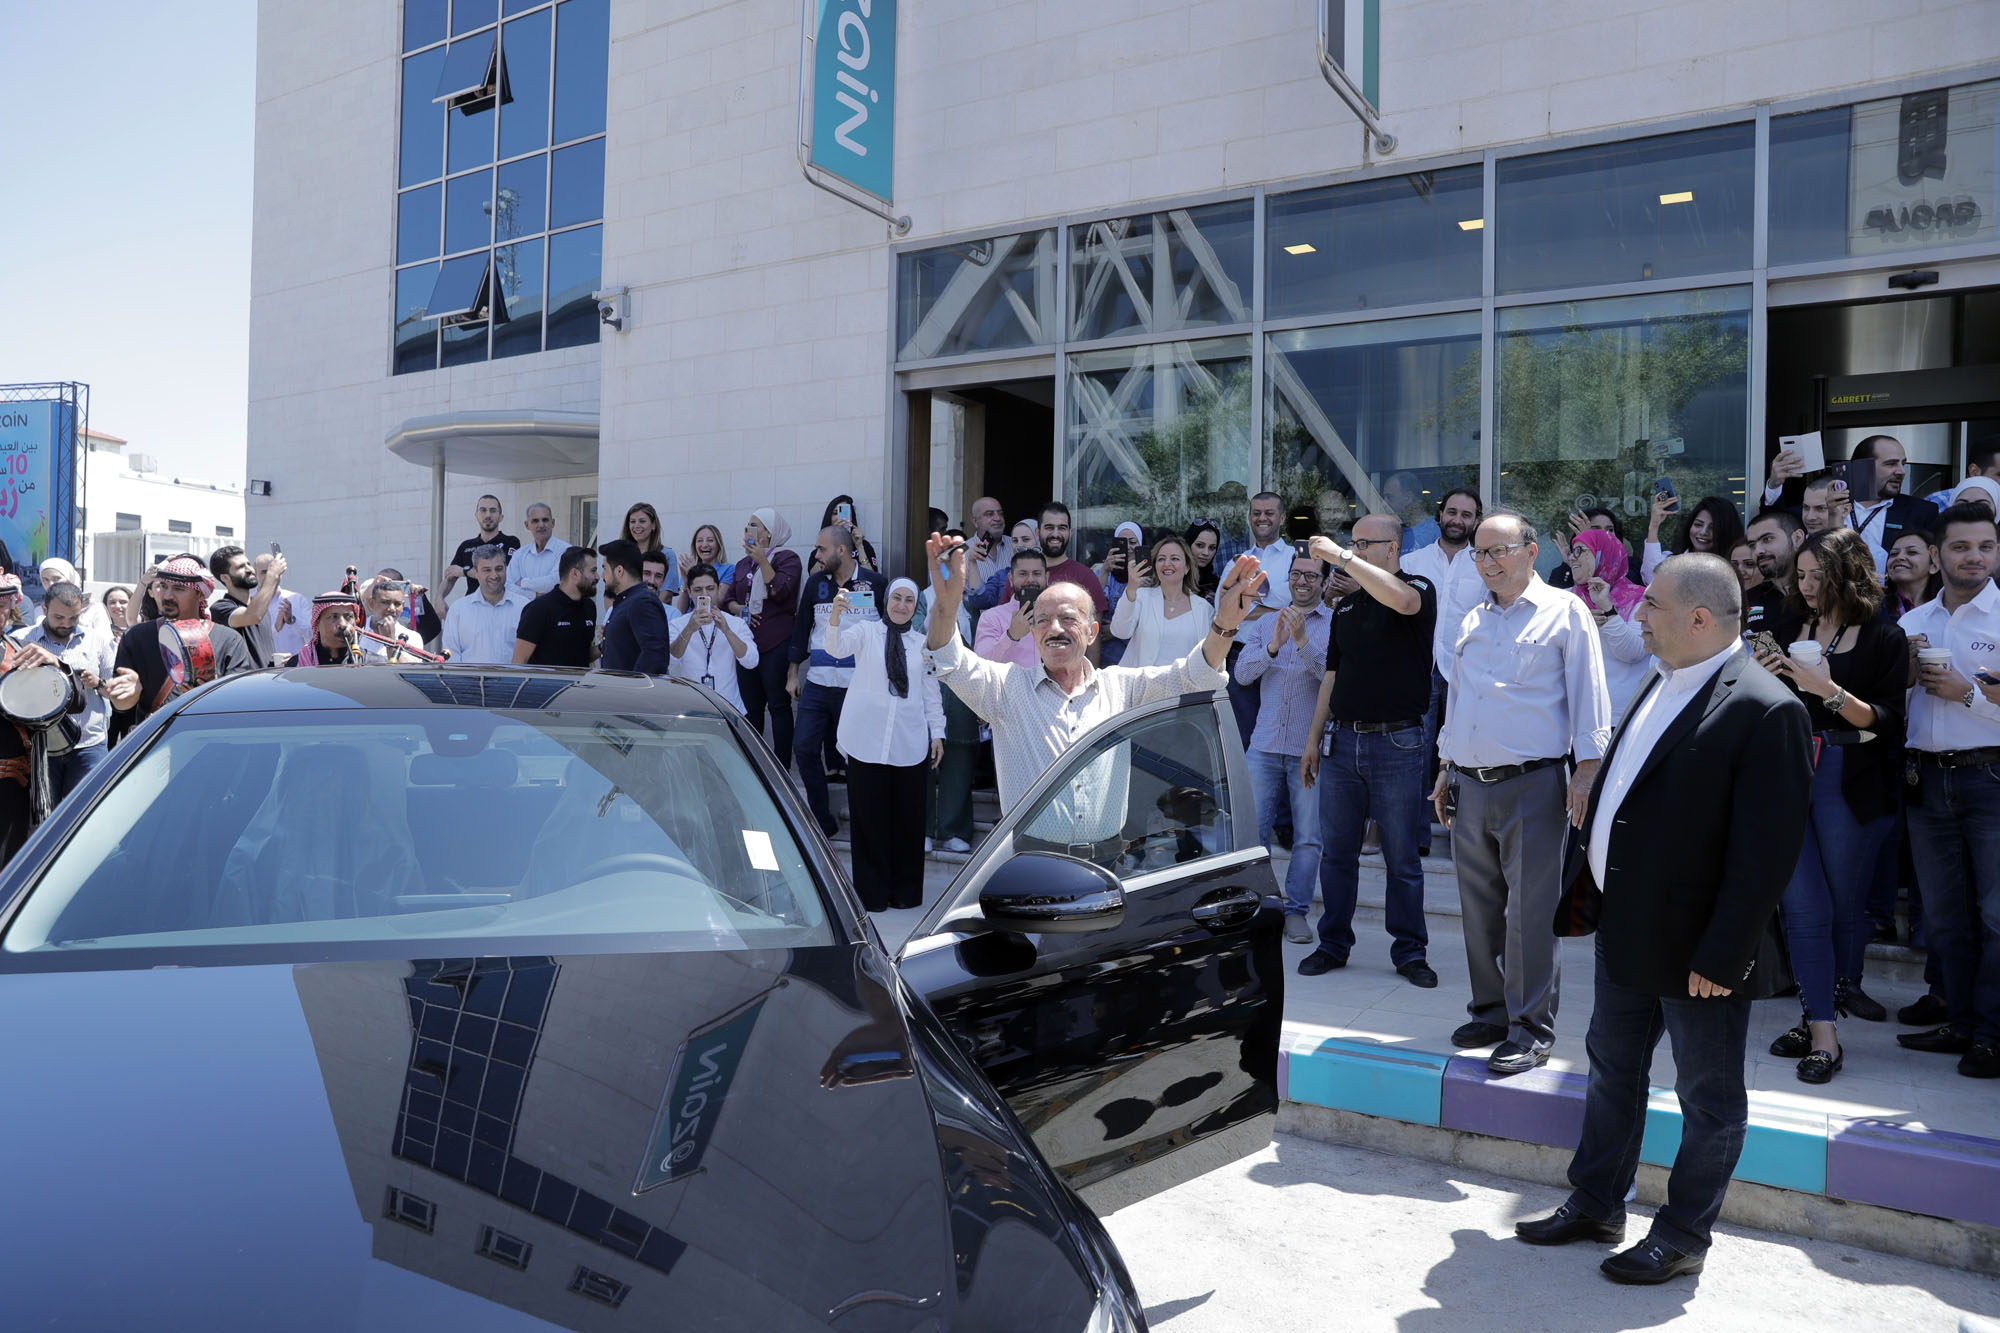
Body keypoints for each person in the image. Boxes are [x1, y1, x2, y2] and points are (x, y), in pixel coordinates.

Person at [1516, 554, 1811, 1285]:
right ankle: (1596, 1202)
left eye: (1650, 604)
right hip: (1628, 924)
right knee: (1613, 1069)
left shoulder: (1766, 707)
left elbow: (1766, 854)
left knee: (1708, 1098)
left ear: (1699, 618)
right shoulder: (1663, 677)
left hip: (1698, 948)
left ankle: (1682, 1234)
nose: (1637, 615)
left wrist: (1725, 952)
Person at [1431, 511, 1613, 1076]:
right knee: (1478, 909)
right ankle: (1490, 1012)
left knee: (1530, 915)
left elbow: (1590, 694)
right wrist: (1445, 764)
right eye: (1479, 553)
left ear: (1531, 552)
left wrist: (1586, 771)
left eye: (1498, 551)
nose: (1487, 563)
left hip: (1535, 783)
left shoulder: (1565, 611)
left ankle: (1530, 1028)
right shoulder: (1473, 618)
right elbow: (1458, 699)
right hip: (1470, 783)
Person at [922, 532, 1267, 815]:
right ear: (1034, 632)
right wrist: (946, 605)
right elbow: (949, 660)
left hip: (1105, 865)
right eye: (1043, 620)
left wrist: (1224, 624)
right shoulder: (1006, 689)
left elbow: (1194, 675)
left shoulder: (1120, 688)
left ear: (1091, 632)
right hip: (1030, 865)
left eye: (1068, 619)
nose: (1055, 628)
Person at [1747, 528, 1904, 1081]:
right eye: (1802, 574)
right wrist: (1763, 677)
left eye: (1819, 574)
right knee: (1801, 907)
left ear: (1849, 573)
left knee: (1840, 908)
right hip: (1790, 772)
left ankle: (1819, 1011)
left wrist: (1828, 691)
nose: (1807, 584)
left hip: (1851, 777)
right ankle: (1822, 1032)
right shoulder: (1788, 625)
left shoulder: (1884, 636)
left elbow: (1888, 722)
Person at [1295, 515, 1439, 983]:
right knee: (1337, 854)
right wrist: (1313, 740)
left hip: (1398, 742)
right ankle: (1333, 944)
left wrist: (1340, 557)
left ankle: (1410, 952)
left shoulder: (1418, 587)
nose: (1353, 551)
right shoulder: (1346, 609)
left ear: (1391, 549)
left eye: (1363, 544)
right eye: (1351, 543)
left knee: (1402, 858)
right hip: (1343, 742)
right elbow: (1331, 677)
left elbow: (1402, 601)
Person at [1900, 503, 2000, 1078]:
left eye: (1985, 546)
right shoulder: (1913, 623)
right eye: (1962, 547)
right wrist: (1904, 674)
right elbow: (1890, 704)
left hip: (1990, 778)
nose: (1975, 557)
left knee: (1996, 916)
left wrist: (1967, 694)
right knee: (1944, 916)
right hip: (1926, 779)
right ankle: (1960, 1022)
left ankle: (1992, 1034)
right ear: (1937, 556)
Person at [826, 579, 945, 910]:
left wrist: (938, 732)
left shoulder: (923, 644)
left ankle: (905, 893)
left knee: (907, 822)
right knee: (868, 822)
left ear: (915, 606)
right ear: (886, 600)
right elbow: (836, 648)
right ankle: (872, 894)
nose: (902, 605)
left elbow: (931, 693)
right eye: (897, 598)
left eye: (909, 600)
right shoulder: (866, 632)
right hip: (866, 739)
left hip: (908, 741)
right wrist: (835, 615)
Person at [1237, 554, 1333, 944]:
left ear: (1324, 582)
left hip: (1307, 750)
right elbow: (1242, 675)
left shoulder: (1334, 625)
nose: (1302, 581)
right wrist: (1274, 646)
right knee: (1252, 834)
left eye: (1311, 575)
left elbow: (1331, 679)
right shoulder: (1264, 624)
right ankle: (1260, 909)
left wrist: (1303, 642)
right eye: (1296, 574)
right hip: (1264, 745)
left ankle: (1296, 912)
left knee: (1308, 838)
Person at [789, 526, 887, 838]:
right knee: (804, 747)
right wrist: (793, 674)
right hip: (818, 682)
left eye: (821, 549)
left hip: (857, 685)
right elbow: (802, 628)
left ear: (841, 550)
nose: (817, 555)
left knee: (857, 754)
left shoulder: (875, 583)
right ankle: (822, 821)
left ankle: (864, 819)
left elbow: (888, 634)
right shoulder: (815, 583)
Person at [107, 554, 259, 743]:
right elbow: (121, 706)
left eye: (178, 589)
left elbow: (239, 705)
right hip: (155, 745)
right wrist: (128, 695)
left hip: (209, 743)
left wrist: (210, 693)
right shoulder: (136, 637)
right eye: (163, 586)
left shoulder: (229, 640)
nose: (167, 596)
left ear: (200, 594)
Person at [1765, 434, 1939, 574]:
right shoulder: (1828, 504)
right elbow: (1775, 523)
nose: (1901, 471)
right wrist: (1774, 484)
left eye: (1903, 463)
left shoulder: (1922, 511)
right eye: (1891, 464)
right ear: (1863, 467)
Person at [15, 583, 117, 801]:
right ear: (44, 609)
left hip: (88, 745)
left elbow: (114, 691)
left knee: (86, 810)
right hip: (42, 747)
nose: (66, 624)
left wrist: (98, 683)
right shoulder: (22, 640)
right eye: (59, 617)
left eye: (73, 618)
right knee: (46, 815)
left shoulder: (97, 641)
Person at [726, 509, 802, 768]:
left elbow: (780, 592)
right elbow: (728, 599)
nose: (748, 529)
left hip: (776, 643)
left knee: (779, 706)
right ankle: (754, 767)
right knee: (751, 707)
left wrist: (763, 561)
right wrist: (739, 609)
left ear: (769, 532)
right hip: (747, 645)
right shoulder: (742, 564)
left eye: (755, 525)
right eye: (747, 525)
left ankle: (782, 768)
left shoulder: (788, 558)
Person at [1566, 528, 1655, 717]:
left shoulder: (1640, 599)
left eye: (1580, 550)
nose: (1572, 558)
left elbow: (1633, 653)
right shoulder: (1565, 599)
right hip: (1574, 712)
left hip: (1619, 714)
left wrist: (1607, 607)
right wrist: (1579, 623)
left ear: (1603, 554)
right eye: (1571, 551)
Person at [1111, 534, 1214, 670]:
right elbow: (1120, 632)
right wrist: (1131, 588)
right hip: (1142, 682)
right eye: (1161, 559)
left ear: (1187, 567)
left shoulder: (1204, 609)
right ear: (1155, 566)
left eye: (1175, 558)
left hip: (1185, 682)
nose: (1167, 564)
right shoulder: (1141, 596)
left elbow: (1209, 656)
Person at [667, 563, 757, 709]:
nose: (705, 594)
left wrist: (727, 631)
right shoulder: (677, 624)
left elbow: (751, 661)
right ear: (689, 592)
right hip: (690, 707)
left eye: (710, 588)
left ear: (718, 589)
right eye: (698, 590)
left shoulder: (735, 623)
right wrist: (689, 629)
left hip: (729, 707)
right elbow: (669, 662)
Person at [439, 545, 529, 665]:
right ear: (476, 572)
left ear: (506, 568)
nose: (494, 575)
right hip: (470, 677)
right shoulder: (458, 610)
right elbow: (451, 656)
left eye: (499, 569)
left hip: (513, 678)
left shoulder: (524, 607)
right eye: (487, 570)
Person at [512, 546, 599, 667]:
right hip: (544, 680)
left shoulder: (589, 607)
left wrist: (602, 647)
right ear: (575, 574)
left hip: (580, 680)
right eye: (593, 571)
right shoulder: (539, 609)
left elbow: (583, 656)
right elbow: (519, 662)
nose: (597, 577)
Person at [599, 538, 671, 674]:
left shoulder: (642, 602)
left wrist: (632, 685)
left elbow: (655, 655)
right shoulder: (627, 601)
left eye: (605, 568)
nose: (602, 576)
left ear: (619, 571)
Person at [206, 546, 286, 668]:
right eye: (240, 567)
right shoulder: (220, 608)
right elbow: (253, 616)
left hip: (266, 678)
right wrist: (272, 575)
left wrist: (278, 662)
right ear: (225, 577)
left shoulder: (261, 608)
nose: (249, 569)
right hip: (241, 680)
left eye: (248, 564)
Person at [1640, 494, 1745, 583]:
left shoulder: (1732, 570)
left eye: (1713, 528)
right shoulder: (1670, 561)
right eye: (1698, 525)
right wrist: (1654, 526)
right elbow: (1652, 579)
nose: (1703, 532)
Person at [974, 548, 1049, 671]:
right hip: (1008, 683)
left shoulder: (1058, 615)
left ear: (1046, 577)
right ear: (1011, 579)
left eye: (1037, 573)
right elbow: (981, 664)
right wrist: (1011, 636)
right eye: (1023, 574)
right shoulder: (992, 617)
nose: (1030, 579)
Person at [1743, 508, 1807, 637]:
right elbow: (1760, 648)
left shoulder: (1819, 593)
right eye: (1752, 545)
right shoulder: (1749, 600)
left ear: (1797, 538)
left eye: (1767, 539)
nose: (1758, 551)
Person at [443, 494, 520, 600]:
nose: (488, 515)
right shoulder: (466, 546)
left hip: (501, 603)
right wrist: (439, 598)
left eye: (493, 510)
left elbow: (505, 576)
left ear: (501, 517)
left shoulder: (511, 542)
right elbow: (450, 576)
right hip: (472, 605)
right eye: (483, 510)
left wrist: (465, 571)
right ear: (476, 515)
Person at [508, 502, 572, 598]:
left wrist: (523, 583)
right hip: (525, 608)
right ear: (527, 525)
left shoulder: (566, 551)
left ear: (553, 523)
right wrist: (535, 595)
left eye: (545, 520)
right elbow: (508, 587)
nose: (541, 525)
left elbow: (554, 582)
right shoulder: (519, 555)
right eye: (535, 521)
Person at [257, 554, 313, 659]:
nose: (270, 575)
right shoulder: (250, 603)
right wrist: (275, 628)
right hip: (262, 667)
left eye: (273, 570)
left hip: (295, 666)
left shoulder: (297, 599)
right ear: (256, 575)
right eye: (264, 572)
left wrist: (293, 621)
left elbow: (312, 633)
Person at [622, 501, 680, 597]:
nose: (636, 526)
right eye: (632, 521)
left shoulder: (668, 555)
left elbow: (666, 595)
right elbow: (611, 593)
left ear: (653, 525)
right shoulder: (622, 555)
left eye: (642, 521)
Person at [359, 579, 426, 661]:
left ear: (403, 606)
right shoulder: (357, 632)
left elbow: (408, 668)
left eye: (397, 604)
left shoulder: (413, 637)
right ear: (371, 603)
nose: (392, 609)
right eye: (385, 602)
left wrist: (390, 642)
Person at [676, 523, 735, 609]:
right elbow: (680, 610)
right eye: (700, 541)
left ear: (718, 545)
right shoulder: (689, 568)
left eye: (710, 540)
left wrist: (695, 574)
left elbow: (717, 604)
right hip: (691, 617)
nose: (704, 545)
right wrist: (686, 580)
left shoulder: (728, 569)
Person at [297, 593, 365, 665]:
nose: (343, 625)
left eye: (348, 616)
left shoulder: (369, 663)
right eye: (334, 617)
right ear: (317, 624)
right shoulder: (298, 663)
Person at [1886, 528, 1942, 614]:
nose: (1899, 557)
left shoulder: (1949, 608)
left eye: (1912, 552)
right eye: (1893, 554)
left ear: (1934, 566)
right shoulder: (1872, 606)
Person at [1381, 472, 1441, 552]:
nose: (1384, 504)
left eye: (1389, 497)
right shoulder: (1391, 532)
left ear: (1408, 498)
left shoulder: (1437, 530)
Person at [820, 494, 878, 570]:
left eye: (845, 513)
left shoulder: (864, 546)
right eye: (835, 513)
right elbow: (816, 573)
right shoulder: (821, 547)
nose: (839, 518)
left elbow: (871, 576)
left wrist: (859, 546)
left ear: (851, 517)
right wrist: (830, 539)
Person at [965, 496, 1013, 587]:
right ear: (975, 521)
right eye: (989, 514)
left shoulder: (1015, 545)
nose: (997, 518)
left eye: (1000, 513)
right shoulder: (963, 552)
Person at [1185, 521, 1222, 601]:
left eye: (1212, 548)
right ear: (1188, 544)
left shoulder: (1216, 585)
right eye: (1200, 545)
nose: (1206, 553)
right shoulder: (1175, 578)